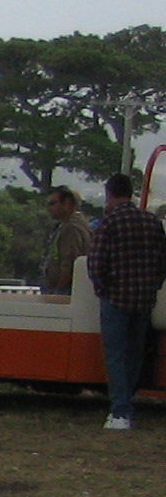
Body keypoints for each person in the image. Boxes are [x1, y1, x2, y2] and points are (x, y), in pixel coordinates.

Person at [84, 171, 165, 432]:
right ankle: (126, 400)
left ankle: (120, 411)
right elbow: (163, 262)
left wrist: (102, 289)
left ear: (109, 194)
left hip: (116, 298)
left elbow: (95, 263)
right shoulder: (151, 222)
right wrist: (153, 287)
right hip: (143, 298)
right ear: (131, 192)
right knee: (135, 352)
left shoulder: (108, 223)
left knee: (115, 355)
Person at [41, 185, 91, 296]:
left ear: (67, 203)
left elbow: (69, 263)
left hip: (65, 291)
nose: (49, 208)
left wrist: (58, 291)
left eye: (53, 203)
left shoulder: (71, 228)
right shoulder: (77, 224)